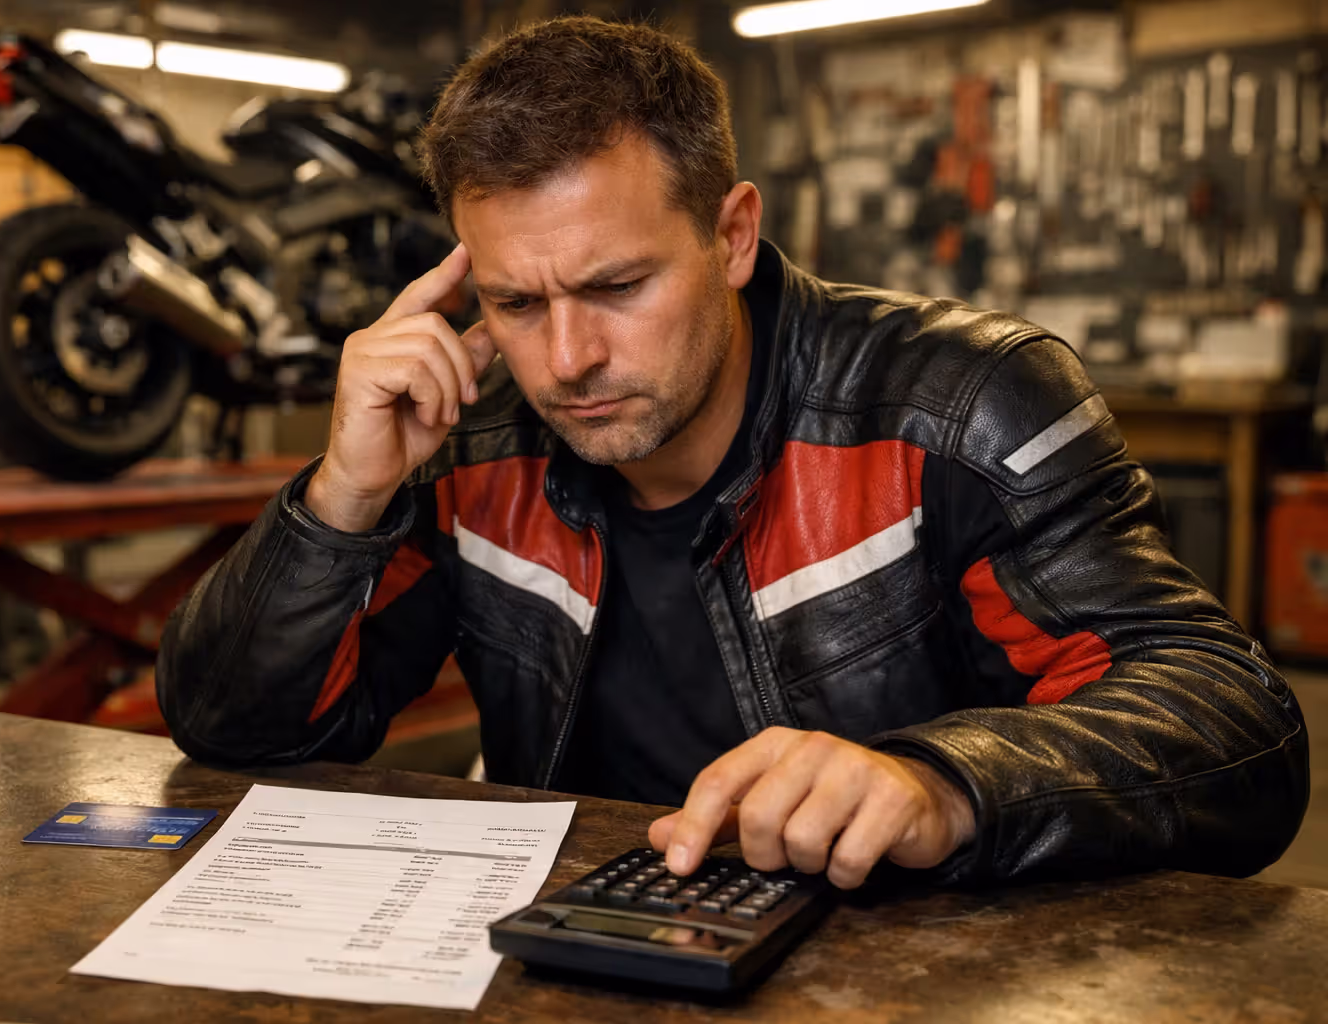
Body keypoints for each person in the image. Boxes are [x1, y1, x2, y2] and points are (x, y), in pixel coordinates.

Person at [158, 16, 1307, 890]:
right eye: (514, 300)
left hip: (901, 975)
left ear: (733, 233)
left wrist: (942, 780)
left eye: (617, 286)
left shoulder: (960, 406)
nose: (566, 359)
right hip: (587, 956)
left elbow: (1232, 725)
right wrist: (341, 496)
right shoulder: (471, 442)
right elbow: (235, 733)